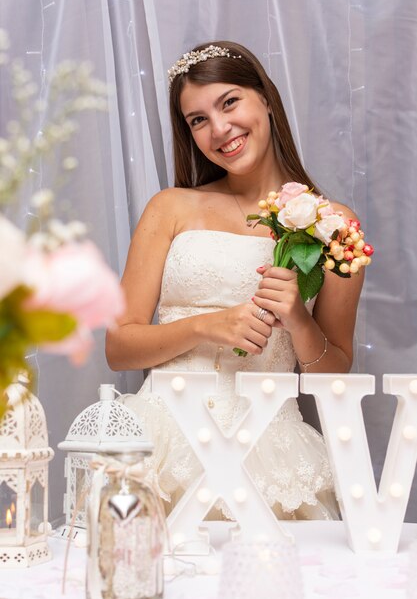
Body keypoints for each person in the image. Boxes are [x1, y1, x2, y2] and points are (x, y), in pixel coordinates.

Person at [106, 41, 364, 520]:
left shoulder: (335, 226)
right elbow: (119, 346)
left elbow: (335, 375)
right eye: (197, 119)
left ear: (264, 97)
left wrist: (299, 323)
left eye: (229, 102)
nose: (219, 129)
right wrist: (207, 326)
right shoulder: (170, 207)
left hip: (270, 450)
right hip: (163, 441)